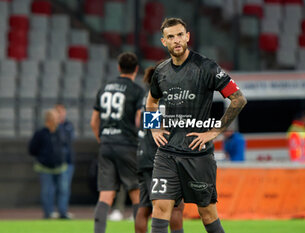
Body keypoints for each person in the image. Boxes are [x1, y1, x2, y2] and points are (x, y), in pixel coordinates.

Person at [146, 18, 247, 233]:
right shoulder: (160, 72)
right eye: (171, 37)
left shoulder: (207, 67)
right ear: (164, 41)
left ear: (188, 36)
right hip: (167, 153)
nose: (176, 40)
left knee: (207, 212)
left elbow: (238, 99)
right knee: (160, 207)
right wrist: (154, 127)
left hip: (197, 154)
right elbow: (151, 102)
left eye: (180, 35)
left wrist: (215, 131)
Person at [90, 52, 144, 233]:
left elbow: (93, 122)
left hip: (106, 143)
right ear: (136, 69)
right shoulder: (137, 90)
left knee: (105, 195)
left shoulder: (104, 88)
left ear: (119, 67)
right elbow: (139, 119)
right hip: (127, 144)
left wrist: (102, 139)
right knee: (137, 194)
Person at [135, 66, 184, 233]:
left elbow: (142, 124)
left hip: (144, 156)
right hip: (161, 159)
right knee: (174, 208)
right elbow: (161, 130)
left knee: (145, 208)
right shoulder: (167, 96)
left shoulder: (146, 97)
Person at [28, 109, 69, 219]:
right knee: (47, 191)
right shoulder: (40, 133)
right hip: (44, 167)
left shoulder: (60, 132)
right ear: (49, 119)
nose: (57, 120)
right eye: (55, 118)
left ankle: (63, 213)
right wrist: (43, 157)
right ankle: (48, 213)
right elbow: (32, 149)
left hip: (60, 166)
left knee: (63, 190)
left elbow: (65, 146)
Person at [55, 103, 75, 218]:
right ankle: (52, 211)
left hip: (67, 161)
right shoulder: (51, 126)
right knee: (52, 188)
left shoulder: (68, 125)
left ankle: (62, 211)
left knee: (64, 187)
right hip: (54, 162)